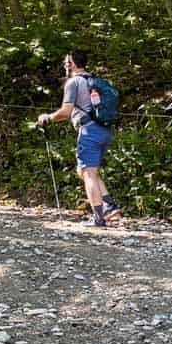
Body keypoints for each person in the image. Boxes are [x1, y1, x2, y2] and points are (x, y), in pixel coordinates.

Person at [38, 49, 121, 228]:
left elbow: (65, 112)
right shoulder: (94, 81)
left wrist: (47, 117)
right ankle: (109, 204)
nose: (65, 66)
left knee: (88, 173)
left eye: (66, 63)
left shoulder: (73, 82)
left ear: (73, 64)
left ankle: (98, 218)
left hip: (89, 131)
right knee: (83, 170)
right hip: (104, 130)